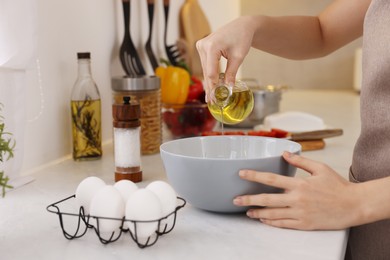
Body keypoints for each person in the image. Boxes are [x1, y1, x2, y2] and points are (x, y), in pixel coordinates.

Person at [196, 0, 390, 259]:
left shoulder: (355, 202)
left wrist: (356, 201)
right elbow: (322, 32)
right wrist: (251, 26)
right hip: (370, 222)